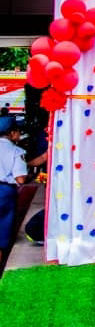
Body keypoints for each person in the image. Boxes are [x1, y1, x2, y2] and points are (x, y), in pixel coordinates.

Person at [0, 114, 28, 277]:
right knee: (2, 232)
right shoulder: (16, 151)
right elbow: (20, 178)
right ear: (11, 133)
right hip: (4, 193)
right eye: (18, 132)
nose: (20, 135)